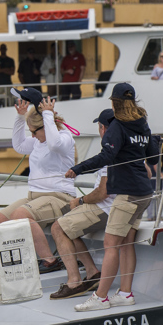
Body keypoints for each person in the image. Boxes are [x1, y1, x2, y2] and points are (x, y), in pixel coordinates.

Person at [0, 92, 76, 282]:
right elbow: (18, 145)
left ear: (47, 125)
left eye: (34, 130)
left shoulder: (64, 138)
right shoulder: (38, 141)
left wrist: (48, 114)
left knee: (20, 215)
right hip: (35, 197)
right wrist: (20, 117)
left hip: (59, 197)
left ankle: (50, 260)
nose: (32, 135)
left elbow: (55, 143)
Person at [70, 83, 159, 311]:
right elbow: (153, 159)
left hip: (127, 194)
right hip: (144, 192)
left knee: (111, 244)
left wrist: (78, 168)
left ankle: (101, 297)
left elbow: (106, 156)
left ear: (114, 102)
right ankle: (126, 293)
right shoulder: (142, 124)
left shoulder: (118, 126)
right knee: (127, 242)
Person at [48, 109, 116, 299]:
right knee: (65, 224)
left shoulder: (111, 150)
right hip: (114, 206)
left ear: (103, 128)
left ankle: (75, 282)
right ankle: (92, 272)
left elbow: (103, 192)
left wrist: (80, 200)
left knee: (58, 228)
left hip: (106, 207)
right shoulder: (123, 145)